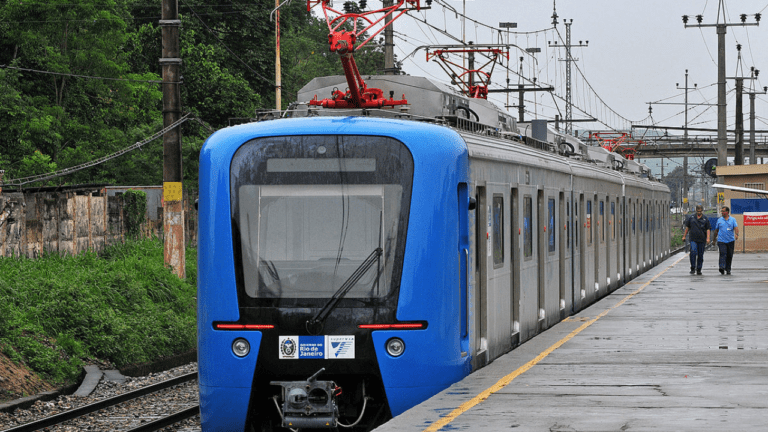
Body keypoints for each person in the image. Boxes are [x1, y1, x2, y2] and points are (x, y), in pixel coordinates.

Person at [682, 205, 711, 275]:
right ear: (696, 210)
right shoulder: (691, 218)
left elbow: (708, 229)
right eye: (698, 211)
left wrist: (708, 238)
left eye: (700, 211)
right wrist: (684, 236)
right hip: (693, 239)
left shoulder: (705, 219)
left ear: (702, 211)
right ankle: (692, 267)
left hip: (702, 239)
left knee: (700, 255)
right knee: (693, 252)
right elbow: (687, 227)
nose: (699, 213)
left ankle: (699, 269)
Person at [712, 206, 739, 275]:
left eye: (723, 211)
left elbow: (736, 228)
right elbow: (716, 230)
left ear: (727, 212)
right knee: (723, 253)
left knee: (729, 255)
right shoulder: (719, 220)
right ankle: (721, 267)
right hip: (721, 241)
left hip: (730, 241)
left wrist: (736, 234)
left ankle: (728, 269)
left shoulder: (732, 220)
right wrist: (714, 239)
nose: (722, 212)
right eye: (722, 211)